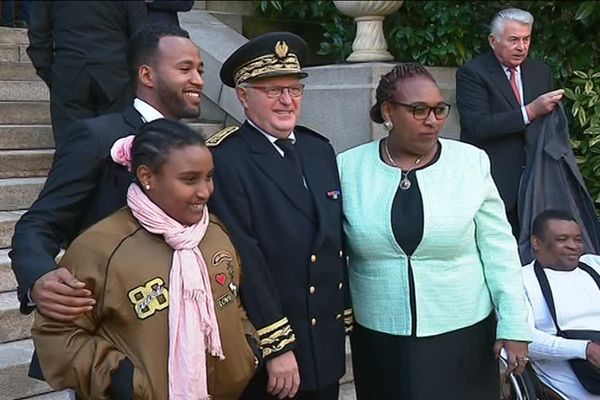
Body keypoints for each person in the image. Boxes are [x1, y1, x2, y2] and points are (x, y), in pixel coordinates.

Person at [337, 63, 531, 399]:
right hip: (380, 338)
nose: (432, 120)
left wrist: (515, 323)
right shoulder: (348, 168)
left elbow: (499, 249)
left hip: (463, 336)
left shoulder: (470, 163)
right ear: (388, 112)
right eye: (418, 110)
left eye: (439, 109)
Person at [31, 119, 258, 399]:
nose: (204, 191)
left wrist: (247, 349)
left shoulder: (215, 233)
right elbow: (58, 334)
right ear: (147, 177)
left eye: (209, 177)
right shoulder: (99, 249)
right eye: (189, 179)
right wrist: (122, 380)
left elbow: (232, 300)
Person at [10, 23, 203, 325]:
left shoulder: (196, 145)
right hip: (112, 322)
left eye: (200, 70)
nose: (198, 80)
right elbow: (39, 224)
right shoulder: (97, 137)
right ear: (147, 75)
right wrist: (39, 277)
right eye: (185, 69)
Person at [207, 32, 352, 400]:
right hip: (273, 347)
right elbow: (244, 257)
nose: (287, 100)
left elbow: (334, 241)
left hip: (324, 341)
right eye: (272, 90)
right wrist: (277, 345)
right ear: (243, 95)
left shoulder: (318, 149)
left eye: (294, 89)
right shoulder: (227, 158)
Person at [456, 7, 564, 237]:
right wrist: (530, 111)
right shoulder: (472, 73)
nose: (521, 47)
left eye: (526, 39)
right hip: (495, 181)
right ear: (493, 41)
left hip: (537, 182)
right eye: (513, 40)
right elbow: (477, 127)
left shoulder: (540, 71)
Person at [26, 1, 147, 149]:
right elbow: (140, 35)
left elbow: (38, 35)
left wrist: (52, 74)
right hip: (116, 73)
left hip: (70, 71)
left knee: (72, 151)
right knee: (117, 151)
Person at [523, 209, 600, 400]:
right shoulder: (522, 280)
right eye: (562, 239)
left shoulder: (593, 266)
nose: (573, 246)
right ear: (536, 243)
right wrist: (584, 349)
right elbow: (522, 338)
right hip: (570, 386)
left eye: (578, 239)